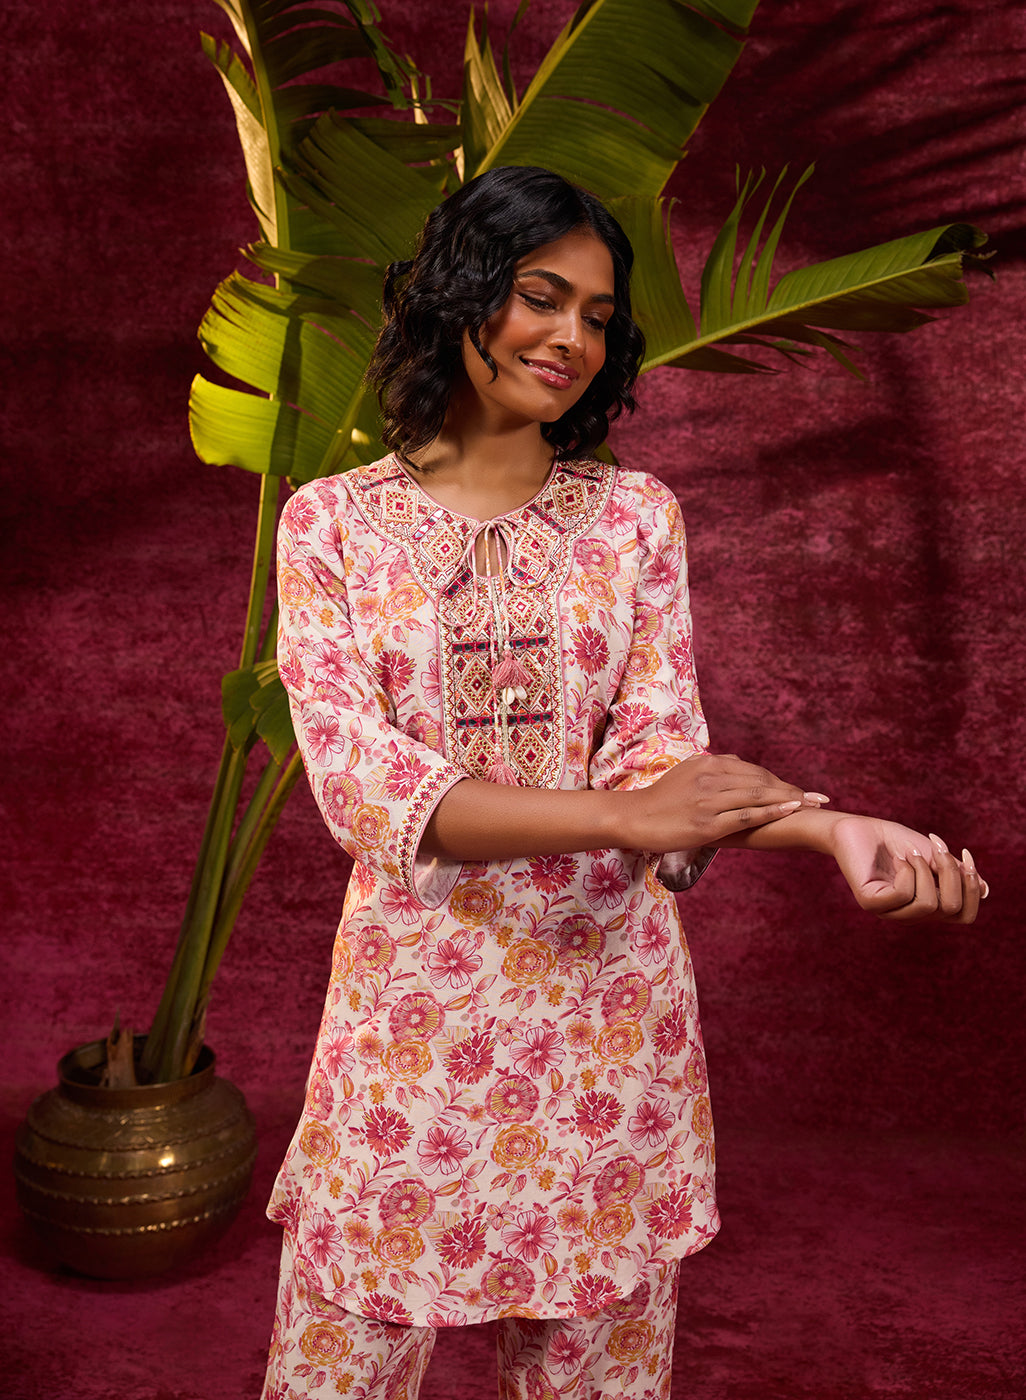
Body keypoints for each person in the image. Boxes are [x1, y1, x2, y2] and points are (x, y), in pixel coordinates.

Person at [262, 165, 983, 1400]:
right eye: (542, 297)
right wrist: (617, 813)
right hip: (412, 1022)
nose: (572, 338)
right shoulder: (331, 524)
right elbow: (365, 786)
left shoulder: (634, 518)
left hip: (607, 1029)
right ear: (460, 292)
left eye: (598, 316)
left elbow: (661, 750)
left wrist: (829, 830)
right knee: (336, 1366)